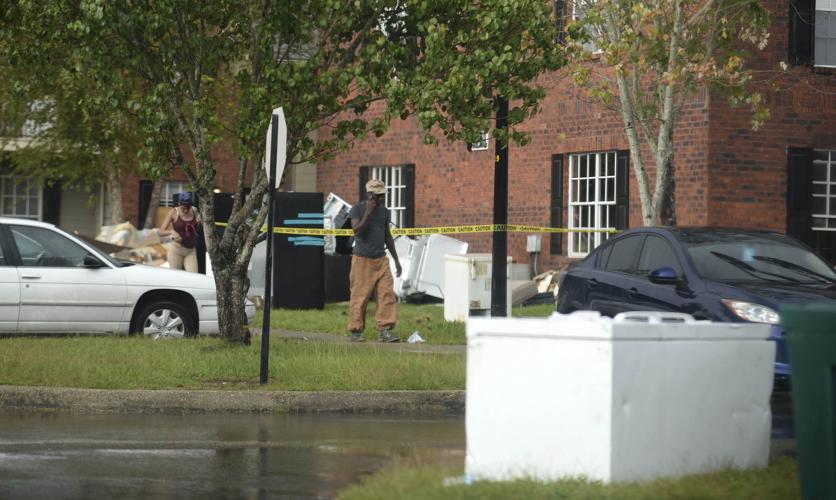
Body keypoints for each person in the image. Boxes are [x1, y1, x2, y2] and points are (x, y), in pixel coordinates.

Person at [347, 179, 403, 342]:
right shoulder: (357, 209)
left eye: (382, 195)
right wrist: (368, 213)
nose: (381, 198)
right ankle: (356, 331)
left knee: (387, 294)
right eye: (378, 196)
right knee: (360, 296)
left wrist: (397, 261)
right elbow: (357, 231)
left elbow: (388, 236)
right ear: (370, 195)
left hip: (381, 259)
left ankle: (384, 330)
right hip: (362, 259)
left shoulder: (384, 212)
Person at [159, 191, 200, 272]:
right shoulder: (173, 212)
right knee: (177, 278)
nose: (185, 210)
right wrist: (171, 232)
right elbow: (161, 232)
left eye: (188, 207)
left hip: (190, 250)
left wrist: (199, 223)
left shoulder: (194, 210)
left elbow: (196, 230)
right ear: (179, 204)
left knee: (194, 277)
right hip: (176, 250)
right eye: (183, 207)